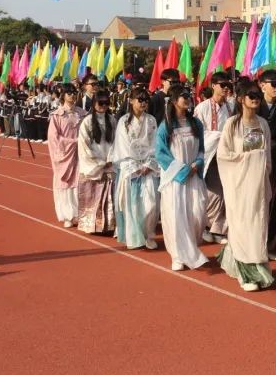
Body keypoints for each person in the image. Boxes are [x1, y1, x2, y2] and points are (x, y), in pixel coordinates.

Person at [215, 80, 275, 291]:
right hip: (238, 185)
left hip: (258, 185)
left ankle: (257, 265)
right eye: (251, 96)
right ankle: (244, 273)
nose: (256, 99)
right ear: (241, 99)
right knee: (241, 225)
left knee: (258, 225)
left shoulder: (263, 124)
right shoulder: (232, 124)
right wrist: (249, 158)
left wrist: (261, 166)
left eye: (258, 95)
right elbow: (224, 156)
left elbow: (266, 156)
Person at [155, 84, 208, 271]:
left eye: (189, 96)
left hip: (194, 176)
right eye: (183, 96)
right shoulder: (165, 126)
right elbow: (161, 154)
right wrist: (182, 170)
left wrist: (197, 164)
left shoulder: (196, 124)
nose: (187, 99)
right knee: (176, 216)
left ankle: (191, 248)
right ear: (174, 100)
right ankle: (178, 255)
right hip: (175, 179)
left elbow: (202, 148)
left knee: (197, 213)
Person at [113, 87, 160, 250]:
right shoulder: (123, 122)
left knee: (151, 204)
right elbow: (122, 146)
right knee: (133, 204)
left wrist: (149, 164)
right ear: (131, 101)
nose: (143, 103)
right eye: (140, 99)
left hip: (148, 165)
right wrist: (134, 166)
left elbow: (155, 144)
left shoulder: (151, 120)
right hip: (131, 167)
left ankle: (148, 234)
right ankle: (135, 236)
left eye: (146, 100)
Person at [195, 72, 234, 243]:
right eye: (222, 85)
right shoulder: (202, 108)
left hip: (226, 155)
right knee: (210, 192)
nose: (226, 88)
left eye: (228, 85)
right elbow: (197, 133)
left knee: (224, 191)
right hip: (209, 154)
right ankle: (204, 225)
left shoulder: (231, 107)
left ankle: (218, 229)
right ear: (213, 86)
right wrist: (219, 136)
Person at [76, 89, 117, 235]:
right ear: (94, 104)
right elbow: (84, 145)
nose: (104, 106)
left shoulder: (112, 120)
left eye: (107, 103)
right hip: (94, 165)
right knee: (93, 198)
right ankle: (92, 226)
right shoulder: (86, 122)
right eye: (101, 103)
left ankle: (108, 225)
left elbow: (116, 142)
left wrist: (110, 159)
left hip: (109, 163)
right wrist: (99, 163)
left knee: (109, 199)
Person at [258, 69, 276, 259]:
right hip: (256, 156)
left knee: (275, 200)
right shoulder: (253, 107)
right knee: (256, 201)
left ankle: (273, 245)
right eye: (273, 84)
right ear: (262, 85)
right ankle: (256, 243)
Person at [47, 84, 84, 228]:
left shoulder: (82, 113)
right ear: (63, 95)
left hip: (81, 153)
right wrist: (73, 142)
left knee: (80, 182)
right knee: (66, 183)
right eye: (69, 93)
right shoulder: (57, 115)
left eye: (74, 92)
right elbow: (54, 139)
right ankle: (68, 215)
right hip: (65, 155)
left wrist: (83, 143)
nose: (72, 95)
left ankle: (79, 213)